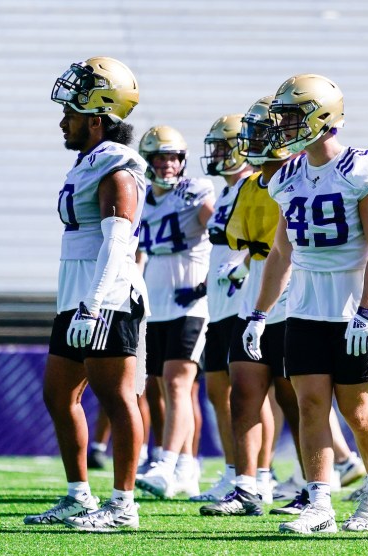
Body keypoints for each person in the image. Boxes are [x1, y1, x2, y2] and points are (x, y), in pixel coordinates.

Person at [243, 74, 368, 534]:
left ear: (321, 118)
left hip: (351, 307)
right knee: (311, 405)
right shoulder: (286, 175)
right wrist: (259, 312)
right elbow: (282, 252)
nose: (284, 126)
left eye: (291, 116)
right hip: (306, 306)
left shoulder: (360, 167)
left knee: (357, 411)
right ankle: (321, 501)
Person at [24, 56, 146, 532]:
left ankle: (123, 506)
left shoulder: (117, 166)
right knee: (58, 395)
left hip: (107, 298)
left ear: (97, 118)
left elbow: (119, 242)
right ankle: (79, 496)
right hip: (77, 296)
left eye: (71, 114)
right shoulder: (89, 162)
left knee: (115, 398)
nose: (62, 121)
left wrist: (95, 304)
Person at [200, 96, 296, 517]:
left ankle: (326, 484)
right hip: (251, 302)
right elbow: (245, 245)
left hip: (295, 303)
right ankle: (246, 485)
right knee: (244, 395)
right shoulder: (248, 186)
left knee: (299, 401)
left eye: (258, 133)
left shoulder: (300, 179)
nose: (250, 141)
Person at [132, 125, 216, 499]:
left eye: (173, 157)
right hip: (156, 305)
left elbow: (220, 228)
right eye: (161, 158)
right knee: (161, 388)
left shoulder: (194, 192)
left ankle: (168, 464)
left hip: (190, 301)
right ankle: (185, 467)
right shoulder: (142, 198)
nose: (168, 164)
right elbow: (138, 252)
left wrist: (210, 280)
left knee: (179, 385)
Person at [189, 113, 256, 503]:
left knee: (247, 396)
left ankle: (257, 475)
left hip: (243, 303)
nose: (215, 154)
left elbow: (264, 237)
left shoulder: (250, 186)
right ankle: (234, 474)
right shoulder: (227, 192)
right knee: (218, 391)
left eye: (221, 145)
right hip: (219, 307)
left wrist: (243, 263)